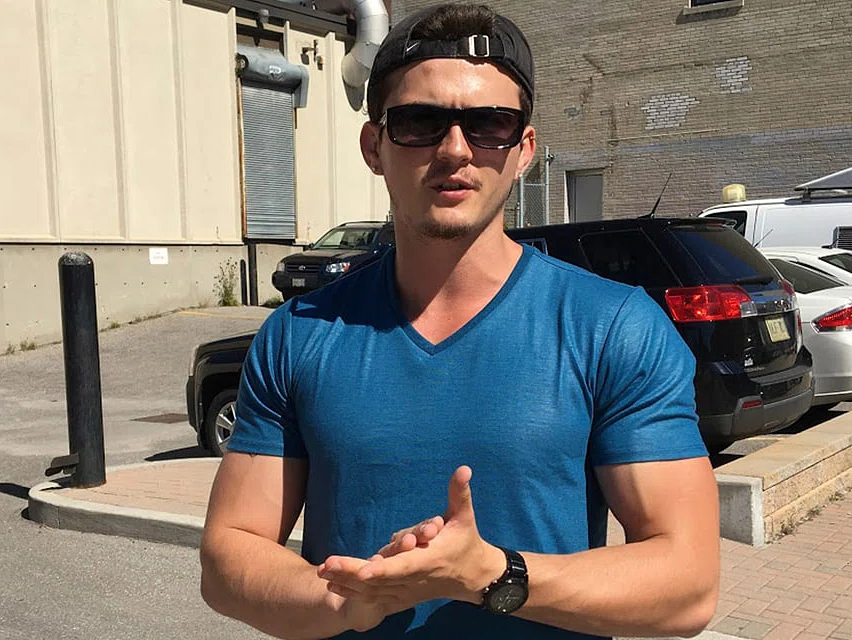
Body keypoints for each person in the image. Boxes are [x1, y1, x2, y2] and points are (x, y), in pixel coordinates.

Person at [199, 4, 720, 639]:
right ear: (374, 146)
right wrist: (343, 602)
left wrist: (492, 576)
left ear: (524, 150)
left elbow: (688, 584)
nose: (454, 149)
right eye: (419, 122)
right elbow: (229, 554)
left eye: (489, 124)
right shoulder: (300, 331)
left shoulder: (614, 328)